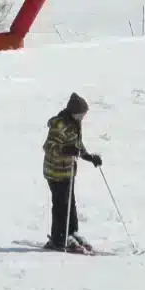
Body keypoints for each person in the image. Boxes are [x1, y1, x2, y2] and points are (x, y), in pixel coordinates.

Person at [42, 92, 102, 251]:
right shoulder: (59, 125)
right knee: (60, 204)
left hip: (68, 171)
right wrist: (65, 150)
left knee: (70, 203)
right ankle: (58, 238)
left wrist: (88, 156)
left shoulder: (75, 124)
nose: (83, 117)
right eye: (82, 114)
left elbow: (77, 145)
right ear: (74, 112)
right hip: (55, 172)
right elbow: (49, 147)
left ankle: (72, 232)